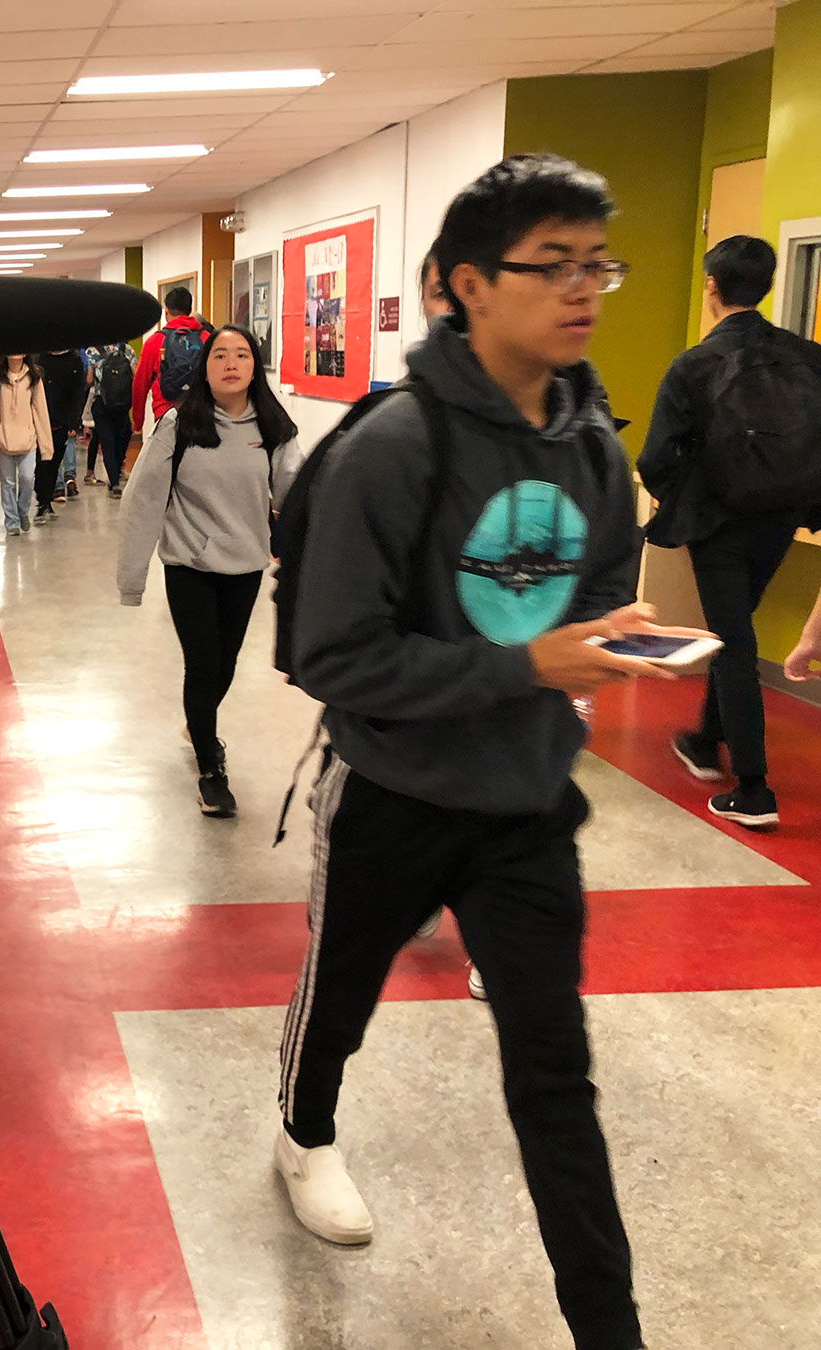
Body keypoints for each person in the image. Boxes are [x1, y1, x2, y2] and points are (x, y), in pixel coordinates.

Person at [276, 155, 662, 1350]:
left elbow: (597, 589)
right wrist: (526, 666)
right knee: (336, 1003)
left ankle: (611, 1330)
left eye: (596, 262)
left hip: (525, 802)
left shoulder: (593, 441)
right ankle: (304, 1134)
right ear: (463, 287)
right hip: (390, 793)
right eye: (550, 265)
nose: (583, 289)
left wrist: (609, 641)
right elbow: (328, 658)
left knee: (555, 1071)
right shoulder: (395, 446)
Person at [637, 234, 821, 830]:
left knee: (733, 641)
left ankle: (753, 788)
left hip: (718, 524)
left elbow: (656, 458)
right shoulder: (811, 358)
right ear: (766, 286)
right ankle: (704, 740)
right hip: (783, 518)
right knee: (735, 626)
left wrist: (691, 504)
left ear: (711, 287)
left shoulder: (694, 364)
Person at [117, 326, 302, 816]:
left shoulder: (273, 427)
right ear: (205, 365)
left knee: (225, 665)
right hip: (189, 564)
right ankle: (209, 764)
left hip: (244, 565)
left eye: (242, 354)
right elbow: (143, 502)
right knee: (202, 664)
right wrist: (132, 580)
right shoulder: (180, 425)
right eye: (220, 354)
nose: (230, 363)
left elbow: (296, 495)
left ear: (253, 365)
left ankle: (198, 721)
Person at [0, 353, 52, 538]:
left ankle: (22, 511)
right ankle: (11, 521)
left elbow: (40, 411)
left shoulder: (34, 378)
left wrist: (45, 446)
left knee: (28, 479)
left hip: (28, 440)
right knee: (8, 483)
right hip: (4, 440)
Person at [130, 285, 213, 437]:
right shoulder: (206, 338)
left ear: (166, 311)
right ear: (190, 309)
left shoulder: (155, 341)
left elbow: (140, 384)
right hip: (199, 412)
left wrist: (138, 422)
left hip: (165, 413)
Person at [38, 347, 87, 516]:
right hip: (39, 419)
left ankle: (49, 496)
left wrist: (74, 421)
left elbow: (78, 394)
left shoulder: (74, 360)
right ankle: (43, 501)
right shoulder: (40, 357)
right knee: (42, 462)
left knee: (55, 461)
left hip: (62, 421)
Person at [87, 342, 135, 497]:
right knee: (120, 437)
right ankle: (118, 468)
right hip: (122, 402)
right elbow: (136, 372)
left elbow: (88, 379)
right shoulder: (126, 349)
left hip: (102, 402)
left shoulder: (93, 350)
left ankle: (114, 483)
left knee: (107, 443)